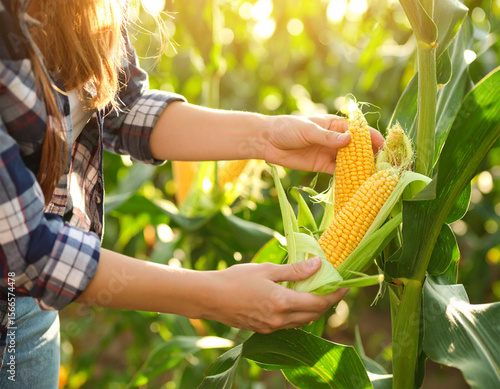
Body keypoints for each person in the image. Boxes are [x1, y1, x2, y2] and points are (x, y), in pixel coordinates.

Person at [0, 0, 384, 387]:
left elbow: (124, 108)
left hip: (26, 309)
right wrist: (214, 296)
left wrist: (267, 136)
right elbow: (29, 249)